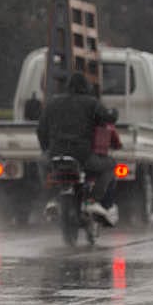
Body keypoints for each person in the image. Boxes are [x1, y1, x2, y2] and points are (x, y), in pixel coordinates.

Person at [36, 71, 116, 223]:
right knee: (110, 165)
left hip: (56, 154)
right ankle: (93, 200)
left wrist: (47, 149)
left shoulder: (53, 103)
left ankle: (51, 197)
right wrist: (113, 113)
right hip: (83, 156)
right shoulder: (92, 103)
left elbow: (41, 130)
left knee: (42, 163)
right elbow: (108, 119)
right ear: (86, 87)